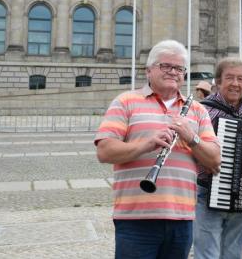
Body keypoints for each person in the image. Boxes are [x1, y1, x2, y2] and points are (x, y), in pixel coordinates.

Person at [95, 40, 222, 259]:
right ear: (149, 70)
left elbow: (215, 160)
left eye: (179, 68)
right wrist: (146, 144)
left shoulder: (197, 110)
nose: (173, 72)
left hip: (182, 220)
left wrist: (191, 138)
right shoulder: (125, 101)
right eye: (166, 66)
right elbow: (104, 151)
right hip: (135, 220)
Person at [193, 58, 242, 259]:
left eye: (240, 79)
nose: (235, 84)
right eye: (229, 78)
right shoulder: (203, 111)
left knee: (232, 255)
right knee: (207, 255)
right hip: (206, 193)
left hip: (240, 200)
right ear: (218, 82)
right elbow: (189, 151)